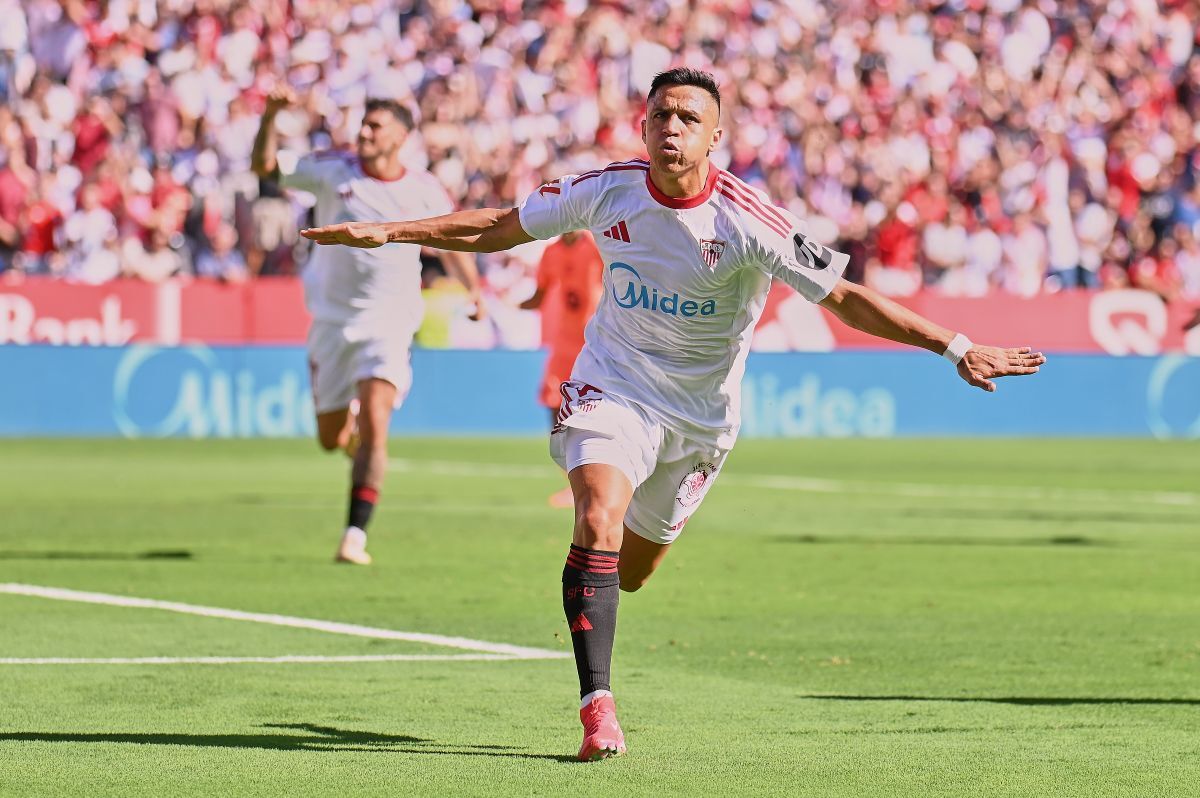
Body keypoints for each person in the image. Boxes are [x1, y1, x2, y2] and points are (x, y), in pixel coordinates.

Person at [300, 68, 1045, 760]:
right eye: (660, 114)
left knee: (630, 573)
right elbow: (499, 225)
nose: (671, 127)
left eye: (689, 117)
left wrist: (955, 346)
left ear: (714, 136)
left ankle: (613, 591)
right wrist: (392, 231)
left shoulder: (750, 218)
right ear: (644, 123)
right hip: (612, 386)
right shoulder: (607, 189)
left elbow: (846, 299)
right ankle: (598, 706)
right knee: (595, 516)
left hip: (700, 419)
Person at [252, 86, 484, 566]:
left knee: (378, 419)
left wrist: (474, 290)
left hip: (391, 319)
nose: (363, 132)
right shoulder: (332, 170)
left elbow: (454, 234)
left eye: (375, 126)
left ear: (400, 136)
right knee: (331, 439)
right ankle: (352, 440)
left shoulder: (422, 188)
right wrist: (272, 114)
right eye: (363, 123)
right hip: (333, 322)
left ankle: (354, 535)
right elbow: (265, 167)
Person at [520, 230, 605, 508]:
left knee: (596, 412)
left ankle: (600, 479)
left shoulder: (596, 246)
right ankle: (573, 481)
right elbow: (541, 293)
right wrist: (511, 303)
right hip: (564, 342)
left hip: (595, 342)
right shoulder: (552, 252)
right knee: (554, 408)